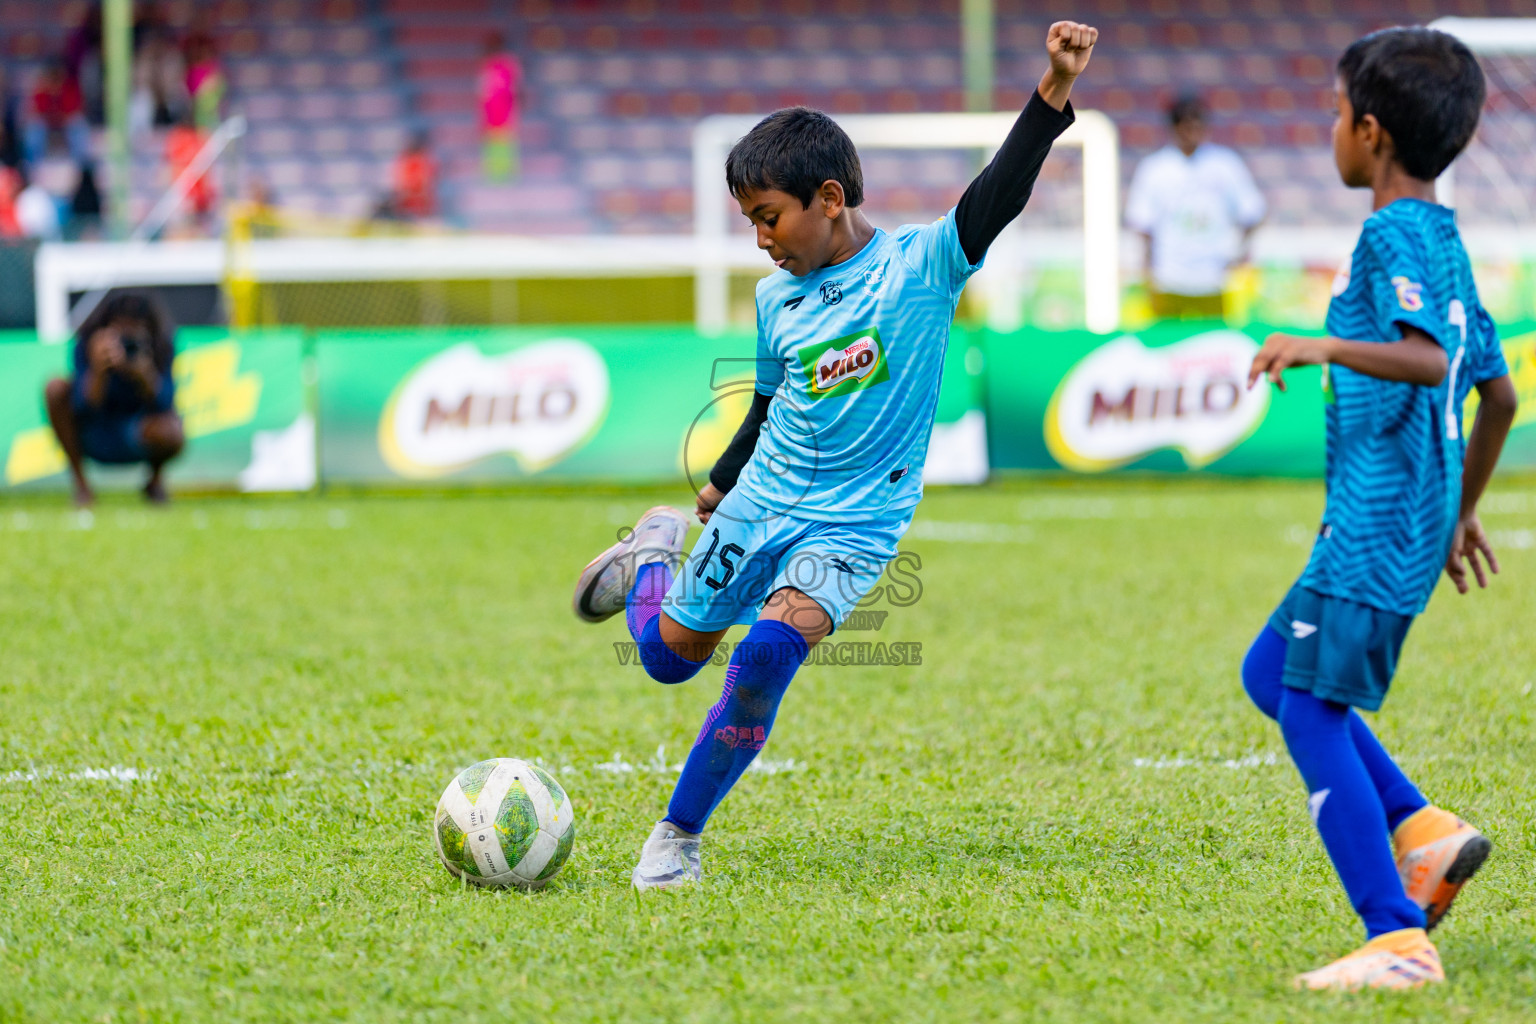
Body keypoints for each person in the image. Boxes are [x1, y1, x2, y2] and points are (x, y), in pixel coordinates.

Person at [570, 21, 1098, 890]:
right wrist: (719, 484)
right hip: (761, 499)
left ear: (827, 197)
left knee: (763, 660)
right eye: (749, 222)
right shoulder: (776, 300)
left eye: (768, 217)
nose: (761, 239)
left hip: (857, 521)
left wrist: (1052, 90)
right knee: (667, 660)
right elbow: (773, 402)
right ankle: (656, 550)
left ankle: (676, 837)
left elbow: (1000, 191)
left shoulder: (924, 264)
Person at [1240, 27, 1518, 991]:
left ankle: (1396, 936)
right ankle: (1425, 832)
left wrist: (1315, 345)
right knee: (1270, 669)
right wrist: (1463, 511)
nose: (1330, 130)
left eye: (1332, 113)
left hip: (1374, 527)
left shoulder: (1392, 234)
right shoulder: (1444, 242)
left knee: (1312, 711)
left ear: (1369, 130)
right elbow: (1500, 392)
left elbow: (1431, 362)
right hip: (1399, 523)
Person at [1125, 92, 1265, 320]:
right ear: (1174, 127)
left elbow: (1253, 212)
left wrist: (1241, 252)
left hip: (1214, 280)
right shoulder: (1155, 169)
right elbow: (1142, 225)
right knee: (1166, 348)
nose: (1194, 132)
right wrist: (1147, 272)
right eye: (1187, 125)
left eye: (1199, 125)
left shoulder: (1224, 165)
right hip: (1168, 279)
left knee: (1213, 347)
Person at [43, 292, 185, 506]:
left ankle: (155, 482)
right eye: (120, 330)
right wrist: (98, 371)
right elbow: (81, 407)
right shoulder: (88, 344)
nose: (126, 337)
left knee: (171, 429)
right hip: (94, 433)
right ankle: (82, 487)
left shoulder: (160, 346)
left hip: (137, 431)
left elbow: (167, 403)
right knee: (55, 387)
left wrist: (145, 375)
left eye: (134, 331)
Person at [479, 32, 520, 182]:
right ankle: (494, 175)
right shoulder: (486, 65)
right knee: (492, 142)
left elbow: (514, 89)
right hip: (489, 113)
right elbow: (484, 92)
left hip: (505, 112)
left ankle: (505, 175)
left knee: (503, 141)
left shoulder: (508, 64)